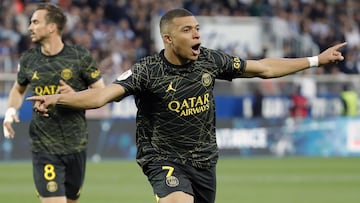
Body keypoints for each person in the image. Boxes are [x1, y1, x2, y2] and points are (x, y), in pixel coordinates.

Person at [28, 8, 346, 203]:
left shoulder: (210, 59)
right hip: (163, 158)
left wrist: (316, 59)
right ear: (168, 38)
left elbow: (264, 67)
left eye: (197, 29)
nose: (196, 35)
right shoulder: (146, 71)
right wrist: (59, 98)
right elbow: (100, 97)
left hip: (204, 161)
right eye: (187, 30)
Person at [2, 3, 105, 203]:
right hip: (44, 146)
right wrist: (10, 111)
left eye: (35, 22)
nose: (30, 27)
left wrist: (74, 96)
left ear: (51, 27)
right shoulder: (29, 59)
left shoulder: (79, 57)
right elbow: (18, 88)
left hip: (76, 145)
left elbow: (102, 94)